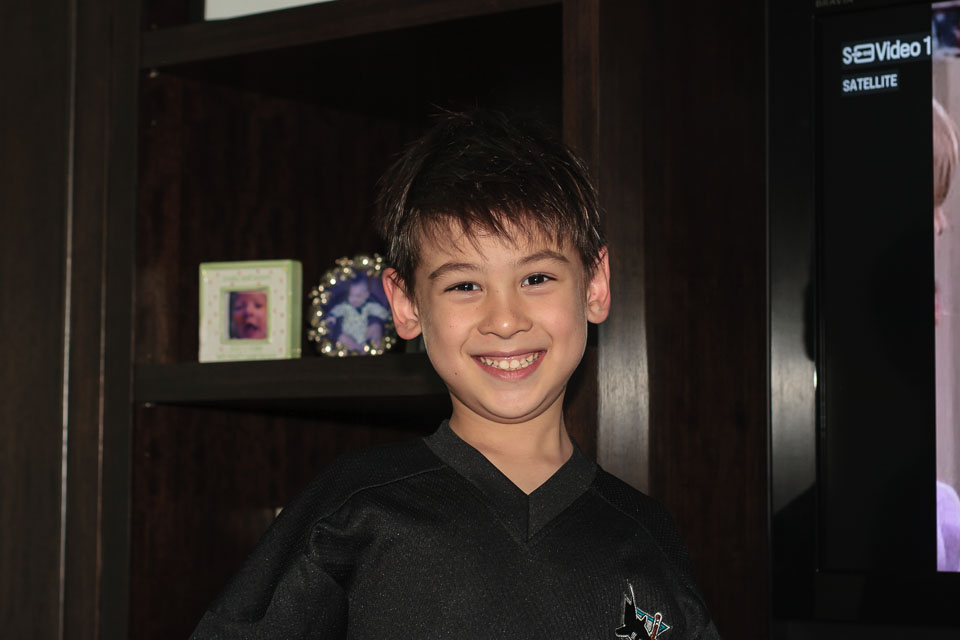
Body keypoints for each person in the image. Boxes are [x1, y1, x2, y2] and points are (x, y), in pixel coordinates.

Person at [190, 110, 720, 639]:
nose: (505, 320)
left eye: (537, 278)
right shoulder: (352, 509)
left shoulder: (647, 533)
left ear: (595, 286)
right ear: (406, 305)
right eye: (464, 286)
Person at [324, 277, 390, 351]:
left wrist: (387, 315)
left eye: (358, 296)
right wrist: (332, 316)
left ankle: (377, 348)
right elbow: (337, 310)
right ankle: (360, 350)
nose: (354, 299)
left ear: (366, 295)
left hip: (364, 335)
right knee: (342, 337)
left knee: (376, 327)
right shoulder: (346, 307)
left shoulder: (369, 306)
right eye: (351, 295)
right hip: (349, 336)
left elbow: (380, 311)